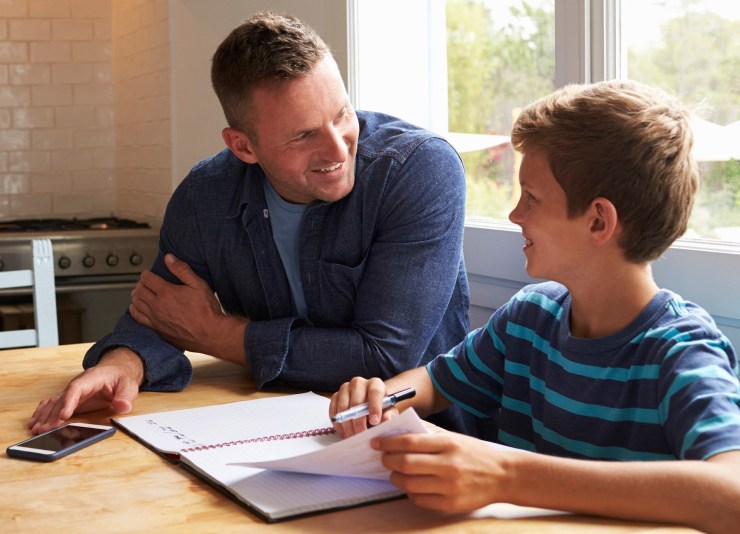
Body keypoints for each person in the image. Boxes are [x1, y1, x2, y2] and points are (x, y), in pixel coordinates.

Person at [28, 12, 471, 436]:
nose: (338, 149)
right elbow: (160, 313)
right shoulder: (205, 196)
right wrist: (121, 365)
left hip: (424, 437)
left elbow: (385, 358)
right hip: (266, 433)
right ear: (243, 147)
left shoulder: (419, 170)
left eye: (341, 115)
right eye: (303, 135)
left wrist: (218, 335)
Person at [329, 80, 740, 533]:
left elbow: (732, 492)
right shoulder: (530, 317)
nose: (514, 215)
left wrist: (508, 475)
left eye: (531, 198)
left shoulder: (682, 351)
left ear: (598, 220)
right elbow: (433, 382)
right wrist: (383, 398)